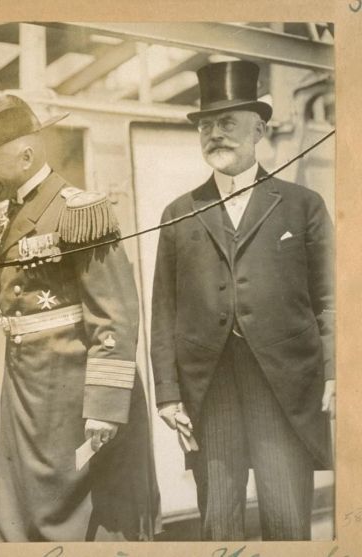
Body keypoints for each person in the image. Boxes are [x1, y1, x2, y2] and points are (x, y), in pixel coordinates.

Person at [0, 94, 159, 541]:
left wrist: (104, 407)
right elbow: (15, 296)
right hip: (27, 397)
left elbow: (116, 316)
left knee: (89, 525)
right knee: (24, 515)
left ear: (26, 156)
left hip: (74, 398)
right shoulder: (11, 215)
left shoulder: (80, 211)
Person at [150, 60, 335, 540]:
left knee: (287, 520)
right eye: (206, 125)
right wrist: (168, 393)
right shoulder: (178, 214)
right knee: (219, 523)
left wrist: (335, 369)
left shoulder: (302, 205)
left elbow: (332, 299)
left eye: (228, 122)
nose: (215, 134)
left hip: (284, 384)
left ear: (259, 129)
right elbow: (163, 311)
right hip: (209, 389)